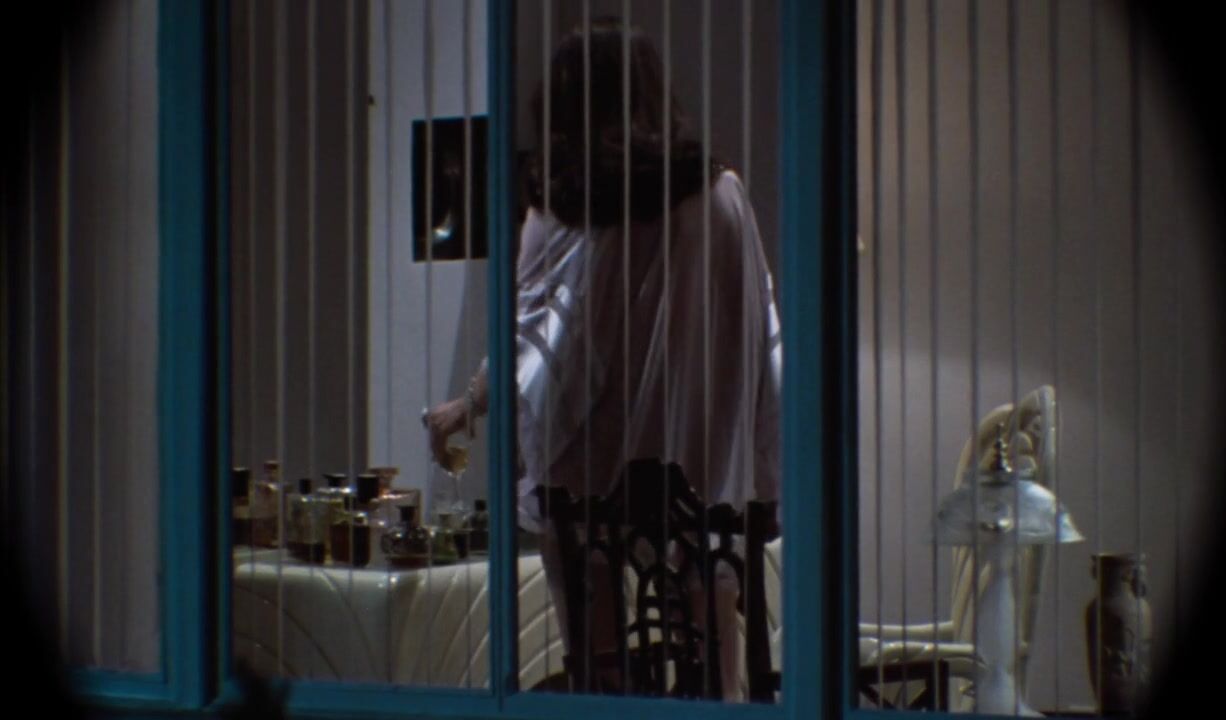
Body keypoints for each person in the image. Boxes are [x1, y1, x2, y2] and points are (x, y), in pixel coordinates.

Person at [425, 17, 781, 700]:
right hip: (700, 454)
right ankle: (724, 705)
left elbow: (532, 339)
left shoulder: (564, 206)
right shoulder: (721, 193)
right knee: (711, 614)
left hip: (590, 463)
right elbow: (756, 326)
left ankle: (604, 698)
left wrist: (467, 405)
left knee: (595, 639)